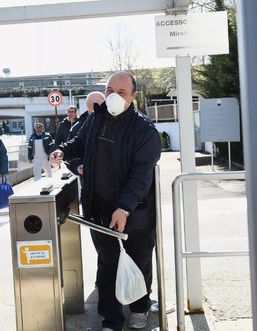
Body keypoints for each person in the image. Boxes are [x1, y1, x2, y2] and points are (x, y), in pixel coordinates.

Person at [50, 71, 161, 331]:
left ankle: (139, 307)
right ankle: (111, 320)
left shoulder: (144, 130)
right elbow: (79, 142)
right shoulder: (95, 119)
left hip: (135, 214)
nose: (113, 96)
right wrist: (63, 150)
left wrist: (124, 207)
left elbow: (141, 176)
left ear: (133, 96)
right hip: (100, 210)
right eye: (110, 90)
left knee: (139, 262)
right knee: (107, 265)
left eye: (121, 92)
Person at [65, 91, 105, 176]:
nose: (96, 116)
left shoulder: (118, 123)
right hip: (87, 179)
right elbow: (71, 153)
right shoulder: (77, 128)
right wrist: (78, 167)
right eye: (92, 112)